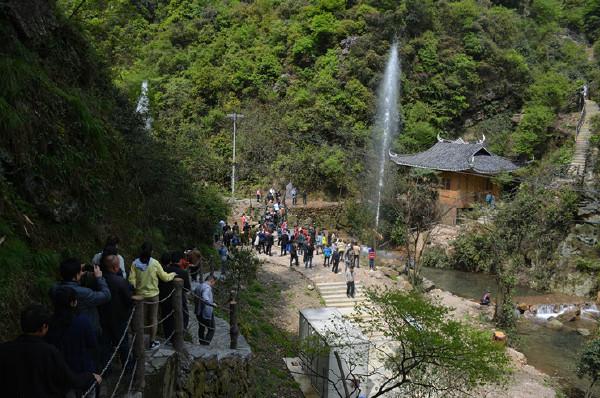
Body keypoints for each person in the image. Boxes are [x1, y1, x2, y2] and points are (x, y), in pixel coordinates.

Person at [0, 305, 101, 397]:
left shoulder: (4, 349)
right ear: (44, 327)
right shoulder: (49, 352)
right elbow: (70, 379)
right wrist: (90, 377)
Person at [46, 287, 98, 395]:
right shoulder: (83, 321)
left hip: (59, 372)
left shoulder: (48, 324)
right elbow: (92, 343)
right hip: (82, 371)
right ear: (73, 302)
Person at [128, 242, 176, 350]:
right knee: (153, 318)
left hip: (140, 296)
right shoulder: (154, 263)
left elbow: (131, 280)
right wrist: (172, 274)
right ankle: (152, 342)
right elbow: (164, 277)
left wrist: (137, 286)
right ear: (152, 252)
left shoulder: (135, 264)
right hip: (154, 295)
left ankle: (139, 341)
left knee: (141, 318)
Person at [51, 258, 111, 337]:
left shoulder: (55, 289)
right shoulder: (84, 293)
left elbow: (66, 282)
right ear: (76, 275)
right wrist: (99, 278)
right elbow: (106, 295)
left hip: (63, 328)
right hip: (87, 331)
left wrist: (76, 273)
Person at [98, 255, 133, 373]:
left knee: (105, 345)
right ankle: (128, 368)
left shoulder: (99, 280)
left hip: (103, 316)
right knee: (123, 343)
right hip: (119, 317)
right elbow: (129, 299)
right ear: (115, 267)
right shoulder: (120, 281)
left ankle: (106, 370)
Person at [159, 252, 191, 342]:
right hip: (179, 300)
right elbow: (187, 288)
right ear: (180, 260)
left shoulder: (163, 271)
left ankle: (168, 338)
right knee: (184, 317)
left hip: (164, 299)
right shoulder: (183, 273)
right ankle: (179, 337)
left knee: (167, 319)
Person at [194, 275, 217, 345]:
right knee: (212, 329)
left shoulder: (199, 286)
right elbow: (205, 297)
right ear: (211, 281)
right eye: (214, 282)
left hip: (198, 311)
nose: (214, 284)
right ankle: (206, 344)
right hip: (205, 312)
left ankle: (201, 342)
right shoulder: (207, 288)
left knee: (201, 327)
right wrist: (212, 304)